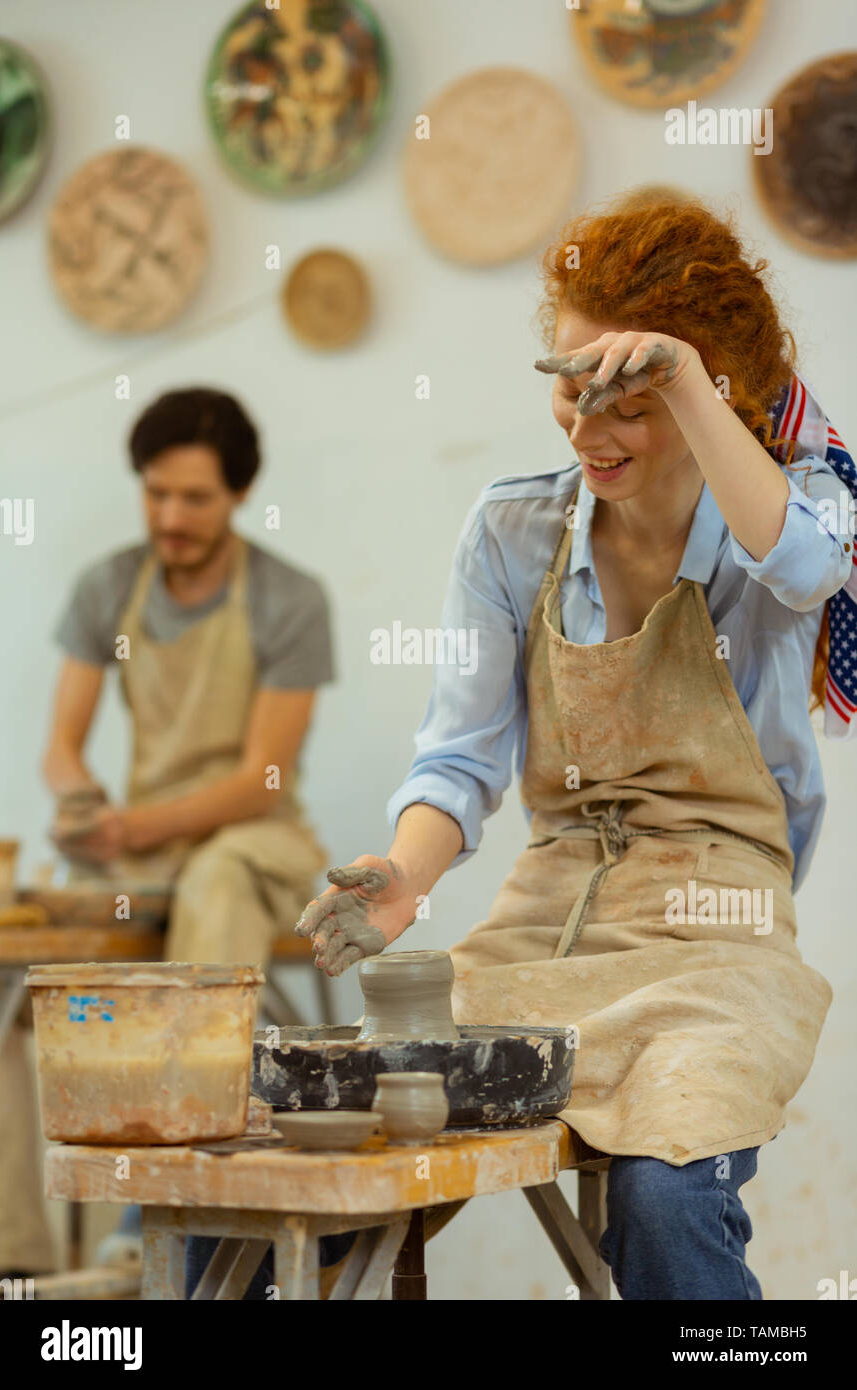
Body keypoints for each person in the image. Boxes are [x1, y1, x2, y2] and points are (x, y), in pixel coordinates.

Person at [295, 194, 852, 1300]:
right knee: (332, 1148)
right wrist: (404, 877)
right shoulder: (511, 531)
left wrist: (689, 381)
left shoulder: (784, 512)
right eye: (566, 384)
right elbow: (459, 756)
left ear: (705, 397)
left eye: (628, 401)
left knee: (664, 1189)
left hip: (718, 930)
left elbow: (802, 569)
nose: (589, 428)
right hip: (546, 918)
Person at [0, 387, 333, 1275]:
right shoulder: (112, 584)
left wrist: (130, 824)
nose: (171, 517)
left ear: (238, 496)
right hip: (140, 843)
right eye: (156, 493)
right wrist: (79, 804)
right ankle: (17, 1263)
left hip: (256, 838)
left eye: (195, 498)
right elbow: (60, 748)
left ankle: (167, 1213)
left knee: (218, 881)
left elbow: (264, 778)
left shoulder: (289, 598)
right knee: (3, 960)